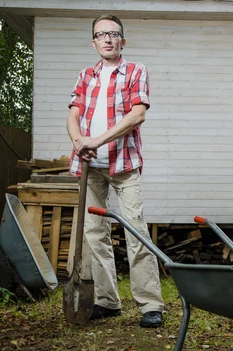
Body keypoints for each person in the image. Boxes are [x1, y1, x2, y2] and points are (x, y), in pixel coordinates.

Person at [66, 14, 164, 328]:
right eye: (101, 34)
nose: (107, 39)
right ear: (93, 42)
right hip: (90, 168)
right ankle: (108, 302)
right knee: (95, 235)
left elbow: (137, 116)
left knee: (135, 231)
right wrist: (80, 141)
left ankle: (150, 305)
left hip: (123, 165)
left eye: (113, 33)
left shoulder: (136, 71)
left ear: (123, 39)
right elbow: (73, 115)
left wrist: (98, 139)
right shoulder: (85, 75)